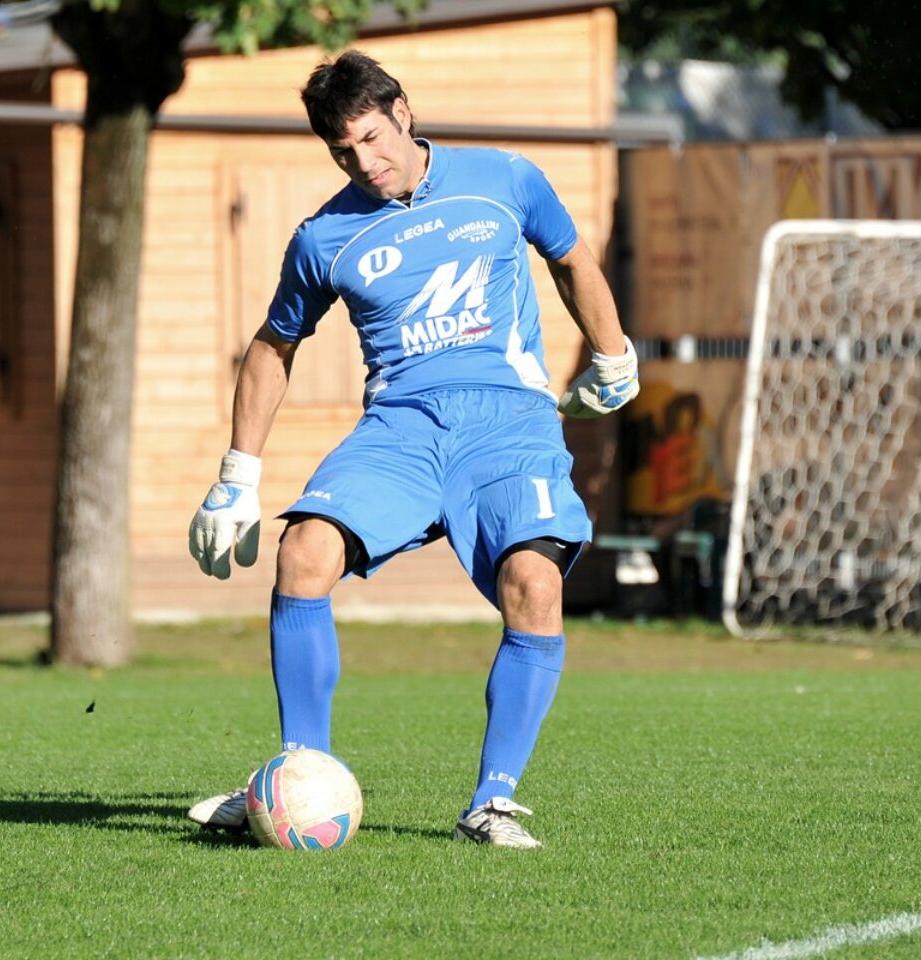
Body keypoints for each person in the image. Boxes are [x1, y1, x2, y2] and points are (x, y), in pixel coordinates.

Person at [184, 51, 638, 849]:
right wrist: (236, 476)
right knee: (305, 551)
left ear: (404, 110)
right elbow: (272, 346)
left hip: (509, 424)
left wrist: (613, 354)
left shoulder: (504, 180)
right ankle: (300, 776)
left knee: (533, 583)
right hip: (402, 428)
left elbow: (571, 259)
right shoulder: (323, 236)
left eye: (372, 137)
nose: (366, 162)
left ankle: (491, 804)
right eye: (343, 152)